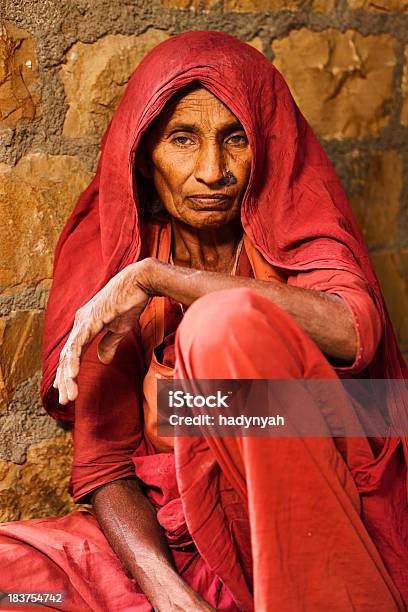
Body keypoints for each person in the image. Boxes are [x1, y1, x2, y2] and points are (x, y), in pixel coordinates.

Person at [0, 30, 407, 612]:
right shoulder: (114, 249)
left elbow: (352, 331)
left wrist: (157, 280)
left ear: (263, 146)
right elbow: (103, 465)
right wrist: (168, 593)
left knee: (222, 328)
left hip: (308, 535)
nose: (212, 170)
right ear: (144, 156)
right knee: (13, 584)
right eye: (183, 140)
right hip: (180, 548)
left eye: (234, 138)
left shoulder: (289, 230)